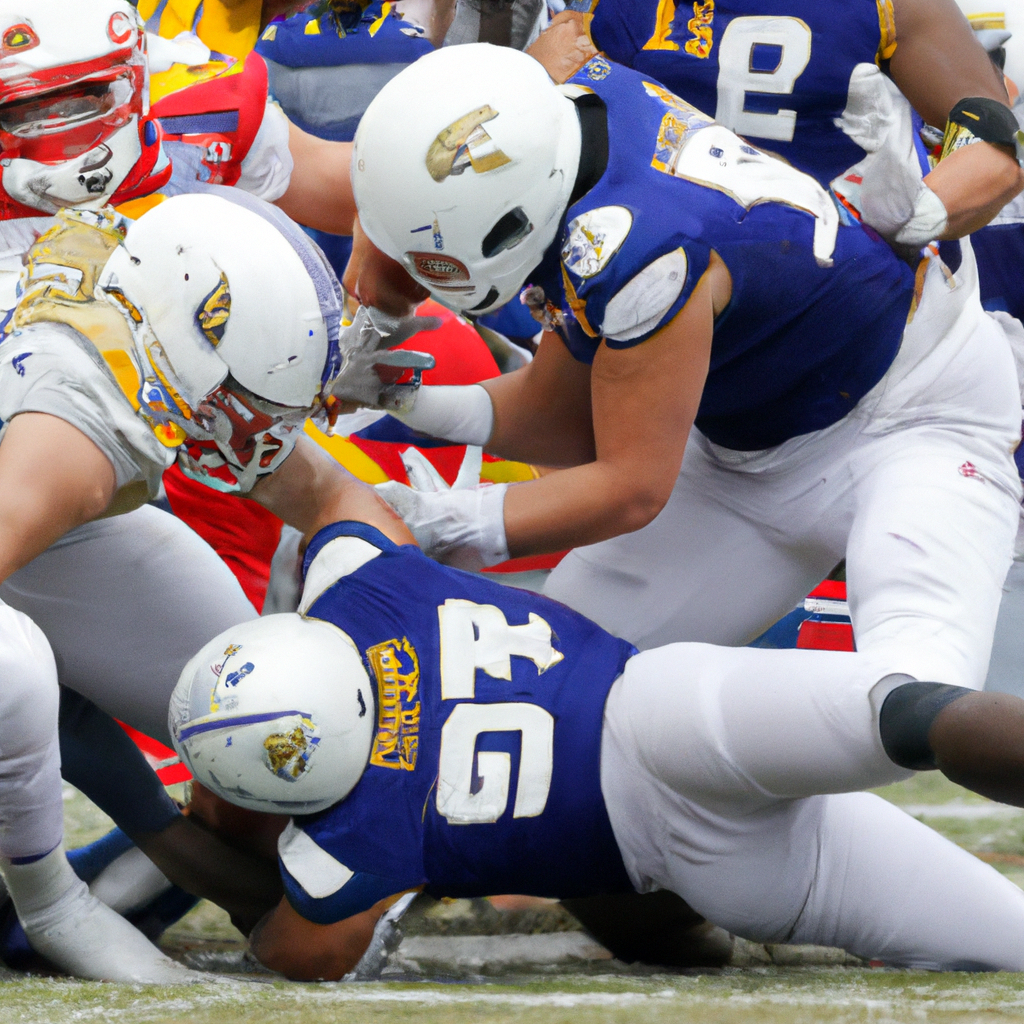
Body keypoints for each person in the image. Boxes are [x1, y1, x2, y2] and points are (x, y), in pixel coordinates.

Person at [350, 44, 1021, 705]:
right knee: (550, 693)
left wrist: (448, 521)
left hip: (919, 416)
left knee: (911, 692)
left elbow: (630, 488)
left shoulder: (635, 249)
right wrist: (410, 401)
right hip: (741, 449)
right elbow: (561, 419)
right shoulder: (577, 131)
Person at [170, 471, 1024, 981]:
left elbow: (288, 949)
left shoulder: (363, 844)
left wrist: (145, 806)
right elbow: (328, 491)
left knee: (1009, 940)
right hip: (665, 718)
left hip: (710, 868)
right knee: (908, 715)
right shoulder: (371, 592)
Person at [0, 186, 421, 980]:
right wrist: (38, 745)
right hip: (35, 494)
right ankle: (50, 899)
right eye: (250, 405)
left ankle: (168, 867)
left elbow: (336, 498)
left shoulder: (144, 319)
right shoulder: (75, 439)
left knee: (274, 713)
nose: (261, 434)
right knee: (16, 682)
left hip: (55, 520)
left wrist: (419, 649)